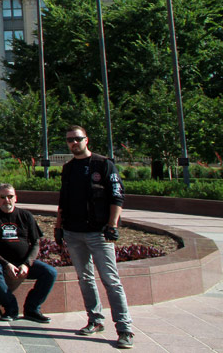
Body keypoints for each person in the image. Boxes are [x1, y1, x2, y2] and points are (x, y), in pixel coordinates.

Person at [55, 125, 133, 349]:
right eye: (70, 140)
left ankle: (124, 328)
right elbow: (64, 200)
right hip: (74, 232)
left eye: (77, 139)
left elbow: (117, 196)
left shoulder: (103, 164)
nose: (74, 143)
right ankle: (95, 320)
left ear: (86, 140)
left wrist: (112, 225)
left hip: (99, 233)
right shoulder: (69, 168)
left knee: (110, 280)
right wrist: (59, 227)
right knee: (85, 278)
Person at [0, 184, 56, 323]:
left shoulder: (25, 216)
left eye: (10, 196)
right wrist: (6, 264)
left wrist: (27, 264)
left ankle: (32, 308)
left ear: (16, 198)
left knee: (50, 273)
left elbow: (35, 243)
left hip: (23, 262)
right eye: (2, 197)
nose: (7, 200)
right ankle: (11, 308)